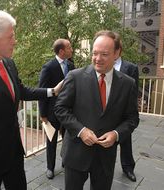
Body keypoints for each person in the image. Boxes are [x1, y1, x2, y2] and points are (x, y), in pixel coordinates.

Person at [0, 10, 63, 190]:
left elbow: (20, 90)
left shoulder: (9, 63)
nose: (15, 41)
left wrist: (51, 92)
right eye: (10, 37)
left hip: (13, 152)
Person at [55, 30, 139, 190]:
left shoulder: (127, 84)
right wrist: (81, 131)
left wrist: (116, 134)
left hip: (105, 158)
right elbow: (60, 108)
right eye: (95, 53)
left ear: (116, 53)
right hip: (76, 154)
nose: (98, 59)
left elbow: (132, 118)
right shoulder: (75, 77)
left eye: (104, 54)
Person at [38, 39, 75, 179]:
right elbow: (42, 91)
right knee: (51, 140)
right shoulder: (48, 67)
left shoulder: (71, 66)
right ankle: (50, 167)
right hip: (52, 112)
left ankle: (66, 161)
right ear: (61, 51)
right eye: (69, 47)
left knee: (68, 139)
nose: (71, 49)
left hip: (69, 111)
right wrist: (43, 114)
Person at [114, 32, 139, 182]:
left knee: (125, 141)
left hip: (123, 113)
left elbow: (134, 92)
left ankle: (128, 168)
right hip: (106, 112)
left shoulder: (131, 67)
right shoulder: (103, 66)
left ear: (119, 51)